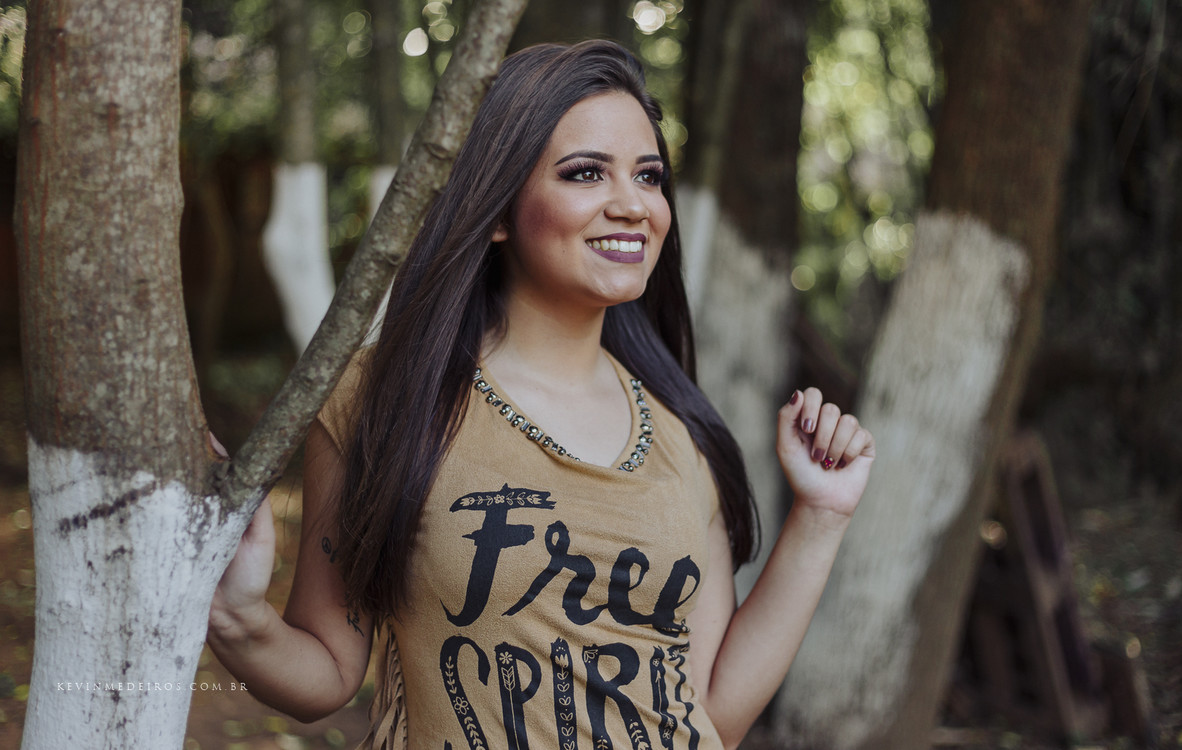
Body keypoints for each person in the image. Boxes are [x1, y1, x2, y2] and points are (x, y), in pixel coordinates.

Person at [208, 40, 874, 750]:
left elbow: (713, 711)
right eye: (586, 173)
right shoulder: (385, 399)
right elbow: (329, 671)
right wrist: (241, 618)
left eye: (649, 177)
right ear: (498, 213)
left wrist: (822, 515)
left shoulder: (683, 435)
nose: (632, 205)